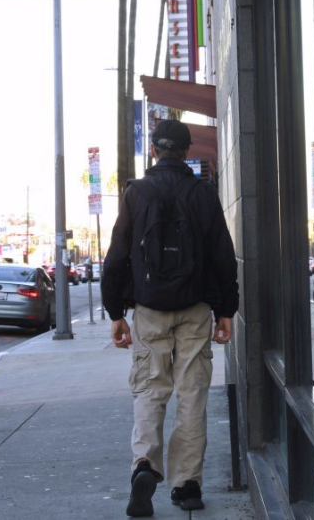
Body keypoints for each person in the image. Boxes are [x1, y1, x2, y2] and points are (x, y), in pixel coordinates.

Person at [102, 119, 239, 518]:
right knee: (192, 393)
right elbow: (222, 256)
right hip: (196, 308)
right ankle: (188, 485)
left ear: (155, 152)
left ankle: (145, 466)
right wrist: (225, 310)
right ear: (187, 151)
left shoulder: (136, 193)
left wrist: (116, 313)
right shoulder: (202, 193)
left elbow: (117, 256)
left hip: (149, 308)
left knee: (150, 389)